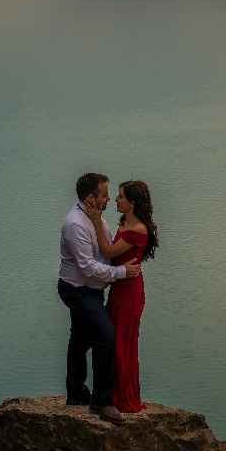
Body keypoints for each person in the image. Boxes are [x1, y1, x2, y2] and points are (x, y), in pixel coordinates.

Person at [58, 173, 142, 425]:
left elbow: (105, 252)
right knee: (106, 336)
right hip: (78, 290)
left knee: (81, 338)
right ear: (90, 198)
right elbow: (88, 267)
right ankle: (102, 401)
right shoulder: (76, 225)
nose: (108, 199)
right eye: (104, 194)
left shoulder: (94, 218)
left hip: (90, 289)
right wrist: (122, 272)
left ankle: (76, 393)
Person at [87, 180, 158, 413]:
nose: (116, 200)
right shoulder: (126, 221)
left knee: (122, 344)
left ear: (132, 202)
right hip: (120, 288)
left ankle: (122, 398)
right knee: (115, 341)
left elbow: (108, 251)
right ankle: (113, 394)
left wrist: (96, 220)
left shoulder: (137, 230)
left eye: (120, 197)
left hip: (130, 293)